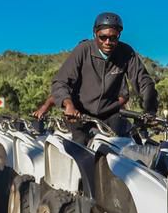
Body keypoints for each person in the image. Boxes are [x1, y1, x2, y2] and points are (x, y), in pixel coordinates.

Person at [44, 12, 158, 142]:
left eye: (113, 37)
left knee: (131, 142)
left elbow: (144, 82)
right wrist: (68, 104)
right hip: (81, 114)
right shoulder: (83, 50)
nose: (108, 42)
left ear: (119, 35)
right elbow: (60, 82)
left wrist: (150, 109)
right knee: (81, 148)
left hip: (111, 114)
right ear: (95, 34)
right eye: (103, 37)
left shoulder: (126, 52)